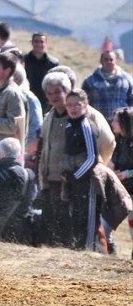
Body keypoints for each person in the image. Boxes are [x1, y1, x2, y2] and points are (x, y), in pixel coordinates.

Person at [37, 71, 115, 248]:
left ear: (67, 91)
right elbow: (46, 148)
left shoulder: (86, 116)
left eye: (57, 92)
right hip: (55, 181)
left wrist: (92, 168)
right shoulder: (49, 117)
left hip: (79, 181)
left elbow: (108, 142)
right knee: (60, 227)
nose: (54, 97)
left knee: (81, 224)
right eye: (49, 93)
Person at [81, 50, 133, 124]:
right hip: (99, 123)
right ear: (101, 61)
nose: (109, 62)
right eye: (106, 59)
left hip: (122, 124)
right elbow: (83, 102)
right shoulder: (90, 81)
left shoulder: (127, 79)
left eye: (111, 59)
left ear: (115, 61)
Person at [109, 107, 133, 258]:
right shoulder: (118, 142)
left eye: (116, 121)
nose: (112, 124)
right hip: (121, 190)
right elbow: (113, 161)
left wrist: (126, 173)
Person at [23, 32, 59, 111]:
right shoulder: (24, 60)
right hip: (26, 100)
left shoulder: (53, 63)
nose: (39, 44)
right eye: (36, 41)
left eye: (41, 42)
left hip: (46, 103)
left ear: (45, 43)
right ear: (31, 42)